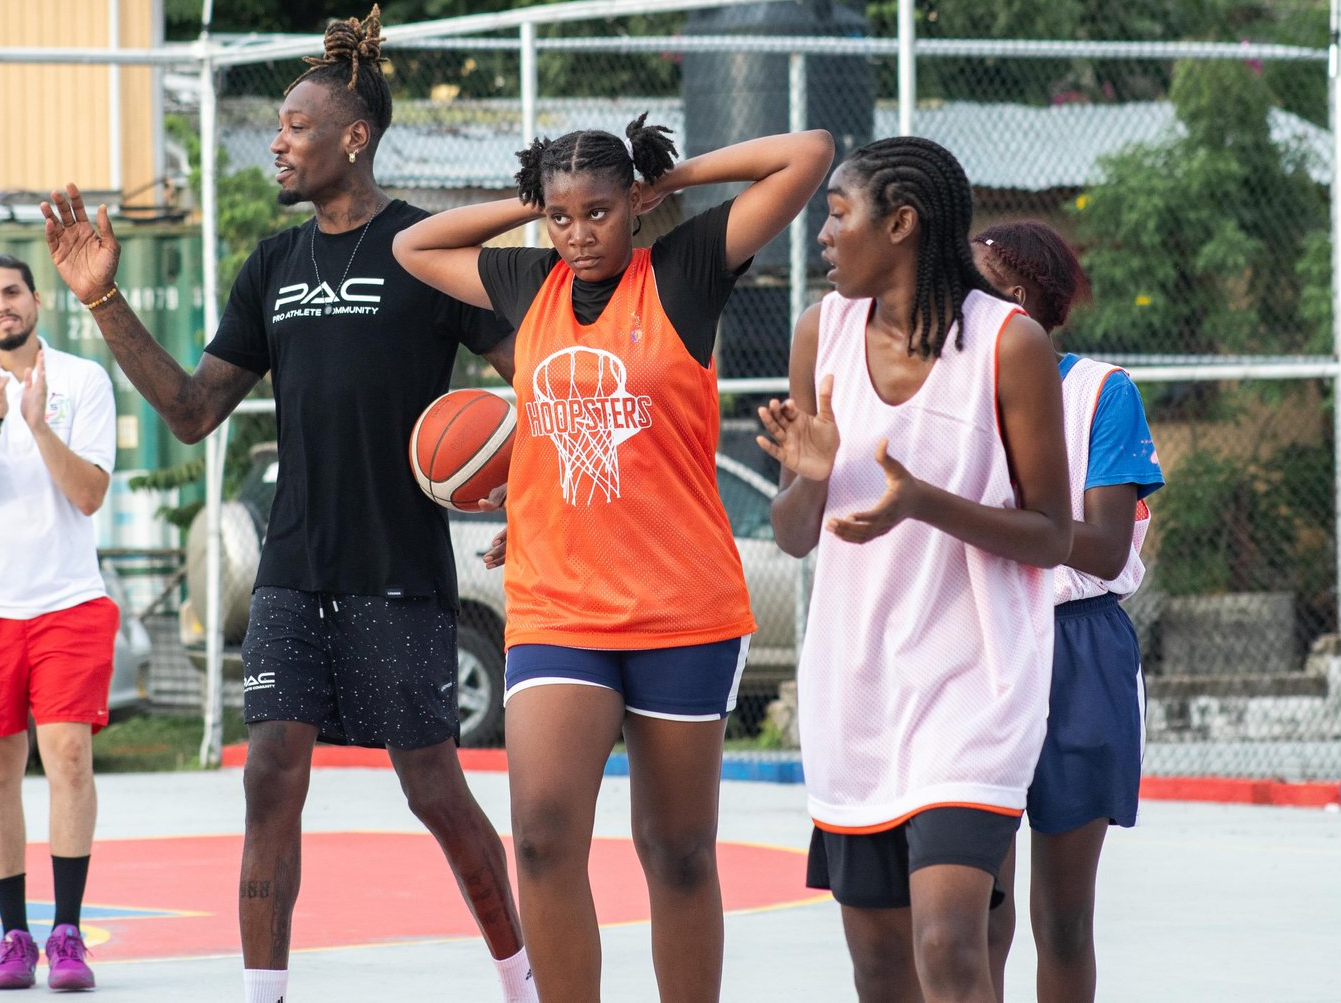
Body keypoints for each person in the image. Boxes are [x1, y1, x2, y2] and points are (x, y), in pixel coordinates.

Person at [41, 9, 536, 1003]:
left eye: (297, 124)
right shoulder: (272, 264)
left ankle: (523, 978)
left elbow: (533, 377)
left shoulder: (427, 248)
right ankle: (262, 992)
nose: (277, 138)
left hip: (399, 565)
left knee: (434, 788)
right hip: (296, 564)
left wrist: (525, 483)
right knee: (270, 772)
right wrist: (102, 299)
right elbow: (190, 411)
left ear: (352, 135)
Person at [394, 112, 835, 1003]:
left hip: (682, 607)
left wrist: (672, 180)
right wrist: (526, 205)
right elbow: (413, 244)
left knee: (674, 849)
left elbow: (809, 153)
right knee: (545, 834)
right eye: (560, 215)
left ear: (632, 206)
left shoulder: (685, 269)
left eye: (598, 212)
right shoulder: (529, 279)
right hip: (559, 606)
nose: (578, 233)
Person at [752, 139, 1071, 1003]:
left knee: (950, 943)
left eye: (838, 211)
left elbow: (1051, 533)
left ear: (900, 223)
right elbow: (792, 534)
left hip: (974, 687)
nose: (822, 232)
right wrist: (811, 478)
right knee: (882, 968)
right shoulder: (822, 333)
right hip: (855, 689)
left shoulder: (1011, 345)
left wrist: (924, 502)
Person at [972, 221, 1163, 1003]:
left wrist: (999, 525)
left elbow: (1110, 547)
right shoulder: (947, 386)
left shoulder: (1098, 391)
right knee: (980, 908)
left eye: (970, 280)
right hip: (981, 639)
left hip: (1076, 648)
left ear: (1015, 299)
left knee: (1062, 916)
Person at [0, 251, 119, 991]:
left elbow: (91, 494)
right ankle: (13, 935)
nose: (3, 304)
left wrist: (39, 427)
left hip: (67, 599)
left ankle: (67, 933)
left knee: (67, 755)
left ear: (36, 300)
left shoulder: (82, 380)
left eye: (13, 291)